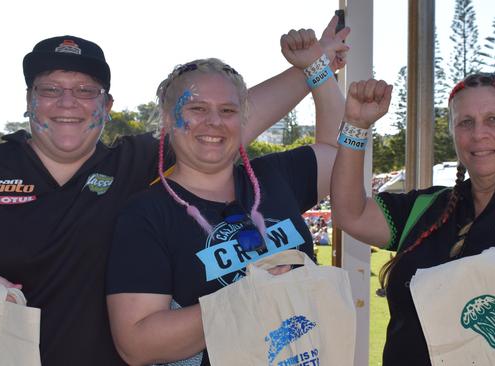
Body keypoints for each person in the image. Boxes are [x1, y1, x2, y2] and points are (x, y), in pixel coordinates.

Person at [0, 17, 350, 366]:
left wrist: (314, 65)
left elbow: (227, 117)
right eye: (50, 89)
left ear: (108, 103)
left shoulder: (134, 164)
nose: (68, 103)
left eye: (85, 91)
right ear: (29, 100)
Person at [105, 27, 351, 365]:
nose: (214, 122)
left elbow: (339, 155)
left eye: (228, 111)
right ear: (167, 118)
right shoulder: (146, 214)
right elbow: (138, 344)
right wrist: (249, 298)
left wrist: (317, 68)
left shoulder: (273, 178)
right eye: (196, 109)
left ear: (243, 118)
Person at [330, 73, 495, 365]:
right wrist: (357, 125)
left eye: (494, 120)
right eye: (465, 122)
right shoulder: (429, 207)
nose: (478, 134)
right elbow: (350, 214)